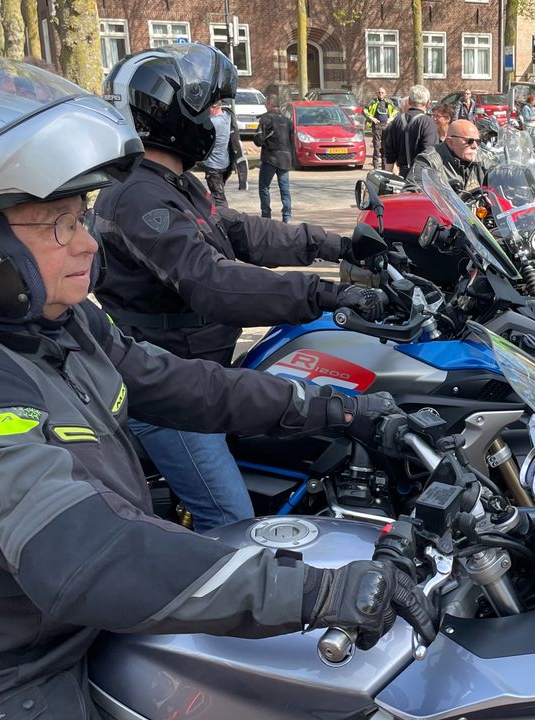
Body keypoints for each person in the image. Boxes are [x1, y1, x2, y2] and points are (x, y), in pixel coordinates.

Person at [0, 58, 428, 719]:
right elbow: (84, 556)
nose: (87, 244)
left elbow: (177, 383)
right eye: (57, 225)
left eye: (81, 217)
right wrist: (318, 594)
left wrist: (342, 410)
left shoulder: (54, 324)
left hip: (63, 636)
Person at [95, 44, 388, 533]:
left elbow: (240, 232)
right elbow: (212, 281)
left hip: (202, 372)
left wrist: (340, 245)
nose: (219, 118)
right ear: (170, 112)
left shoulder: (173, 184)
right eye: (211, 107)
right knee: (231, 517)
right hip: (170, 391)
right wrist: (325, 295)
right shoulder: (137, 196)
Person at [409, 118, 492, 192]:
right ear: (450, 142)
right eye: (469, 141)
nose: (475, 146)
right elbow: (412, 192)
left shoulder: (479, 157)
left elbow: (495, 171)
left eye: (478, 141)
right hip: (444, 209)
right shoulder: (429, 161)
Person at [254, 93, 293, 221]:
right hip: (285, 159)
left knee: (264, 186)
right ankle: (287, 216)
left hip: (270, 158)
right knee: (285, 188)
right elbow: (292, 140)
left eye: (266, 103)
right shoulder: (287, 121)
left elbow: (259, 140)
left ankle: (266, 215)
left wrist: (259, 139)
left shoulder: (266, 120)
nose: (265, 105)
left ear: (270, 104)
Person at [385, 85, 436, 178]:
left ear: (409, 101)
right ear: (427, 103)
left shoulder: (397, 121)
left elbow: (389, 153)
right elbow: (430, 153)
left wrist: (387, 178)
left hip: (403, 175)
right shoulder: (428, 122)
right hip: (423, 177)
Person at [200, 102, 235, 206]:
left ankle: (224, 218)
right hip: (225, 163)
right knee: (218, 193)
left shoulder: (212, 122)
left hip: (213, 166)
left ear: (214, 108)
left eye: (209, 108)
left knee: (218, 198)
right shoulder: (227, 117)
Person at [362, 86, 398, 170]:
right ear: (377, 93)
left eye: (382, 92)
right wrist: (372, 118)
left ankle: (384, 168)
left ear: (385, 94)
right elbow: (364, 110)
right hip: (377, 127)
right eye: (379, 92)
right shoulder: (373, 102)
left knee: (385, 148)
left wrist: (390, 119)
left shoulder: (389, 102)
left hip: (386, 127)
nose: (380, 94)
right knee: (377, 148)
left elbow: (396, 111)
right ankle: (375, 167)